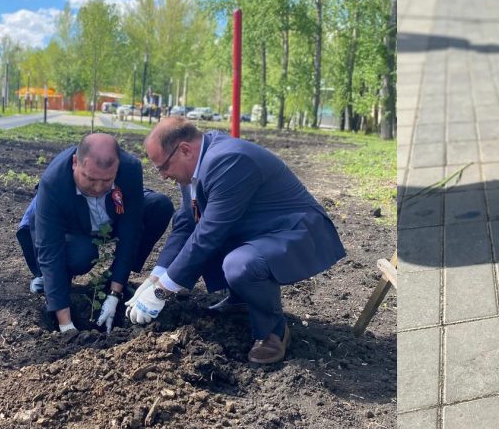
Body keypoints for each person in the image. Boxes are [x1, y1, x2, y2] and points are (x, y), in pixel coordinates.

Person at [126, 117, 345, 364]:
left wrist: (163, 291)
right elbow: (188, 221)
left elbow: (209, 232)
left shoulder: (228, 160)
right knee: (206, 237)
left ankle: (273, 332)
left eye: (163, 167)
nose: (163, 176)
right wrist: (156, 276)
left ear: (185, 150)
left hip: (295, 232)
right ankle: (240, 300)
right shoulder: (195, 167)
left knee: (239, 264)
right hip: (259, 229)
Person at [16, 133, 174, 334]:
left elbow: (130, 229)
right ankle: (51, 283)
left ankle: (116, 280)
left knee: (159, 206)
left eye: (107, 180)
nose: (99, 187)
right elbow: (49, 247)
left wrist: (114, 293)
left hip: (108, 216)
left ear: (117, 168)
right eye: (90, 179)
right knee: (79, 255)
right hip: (69, 226)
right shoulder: (54, 182)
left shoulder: (130, 168)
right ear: (75, 163)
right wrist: (66, 326)